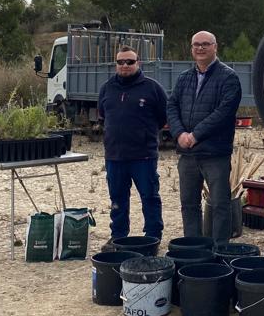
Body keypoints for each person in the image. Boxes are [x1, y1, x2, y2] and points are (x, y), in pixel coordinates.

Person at [167, 31, 242, 241]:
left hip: (214, 154)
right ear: (192, 49)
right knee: (189, 205)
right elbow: (171, 105)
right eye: (196, 45)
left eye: (205, 44)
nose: (200, 48)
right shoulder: (184, 78)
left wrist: (195, 135)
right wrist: (179, 133)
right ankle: (193, 249)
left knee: (220, 204)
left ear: (215, 47)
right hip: (188, 155)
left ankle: (220, 251)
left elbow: (224, 112)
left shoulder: (228, 77)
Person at [98, 47, 168, 243]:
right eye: (120, 62)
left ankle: (153, 236)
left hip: (143, 156)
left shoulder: (152, 88)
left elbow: (163, 117)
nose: (125, 65)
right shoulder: (107, 87)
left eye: (129, 61)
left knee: (150, 197)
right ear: (115, 64)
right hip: (115, 156)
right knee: (117, 200)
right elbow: (103, 114)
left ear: (139, 63)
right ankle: (118, 237)